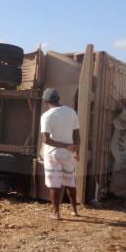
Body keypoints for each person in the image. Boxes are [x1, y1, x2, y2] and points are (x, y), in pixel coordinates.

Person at [40, 88, 80, 220]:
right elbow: (77, 135)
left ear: (45, 100)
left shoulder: (46, 116)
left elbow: (46, 139)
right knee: (70, 181)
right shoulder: (71, 112)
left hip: (53, 153)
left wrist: (64, 145)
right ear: (58, 98)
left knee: (54, 184)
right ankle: (74, 210)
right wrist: (76, 151)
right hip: (68, 153)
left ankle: (56, 213)